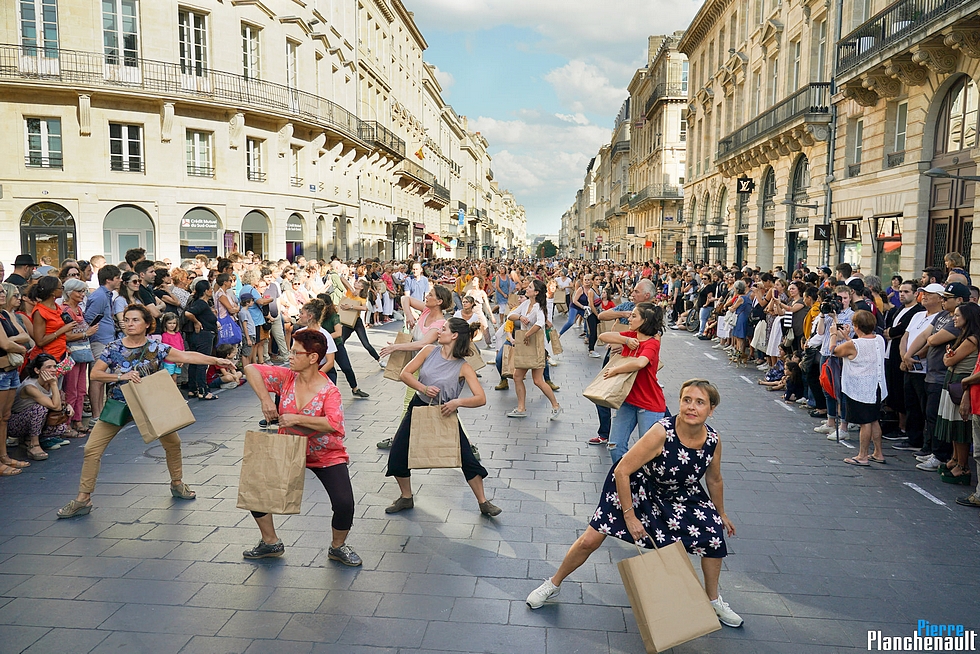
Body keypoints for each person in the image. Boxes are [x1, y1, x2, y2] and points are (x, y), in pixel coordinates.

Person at [525, 379, 743, 628]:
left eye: (700, 402)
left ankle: (712, 599)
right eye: (687, 400)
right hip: (636, 487)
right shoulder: (662, 432)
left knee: (714, 533)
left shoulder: (713, 440)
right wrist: (629, 516)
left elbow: (714, 479)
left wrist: (721, 512)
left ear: (711, 410)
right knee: (590, 540)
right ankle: (553, 584)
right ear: (679, 403)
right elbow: (623, 471)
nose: (691, 407)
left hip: (680, 495)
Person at [56, 304, 233, 518]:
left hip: (151, 404)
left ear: (147, 324)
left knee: (173, 444)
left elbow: (186, 356)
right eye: (127, 320)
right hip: (120, 404)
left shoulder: (156, 347)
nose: (129, 324)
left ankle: (177, 483)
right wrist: (121, 377)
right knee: (92, 449)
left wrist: (216, 360)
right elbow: (95, 374)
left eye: (135, 320)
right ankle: (83, 499)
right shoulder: (114, 347)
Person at [242, 330, 361, 563]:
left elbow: (333, 424)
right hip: (289, 448)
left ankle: (338, 546)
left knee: (344, 503)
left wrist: (296, 419)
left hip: (325, 453)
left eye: (296, 352)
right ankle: (270, 542)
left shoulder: (330, 391)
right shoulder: (287, 377)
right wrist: (266, 400)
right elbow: (250, 370)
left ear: (313, 358)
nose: (291, 356)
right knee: (256, 490)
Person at [383, 318, 500, 516]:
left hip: (446, 411)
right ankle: (406, 497)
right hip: (419, 406)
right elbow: (405, 373)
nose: (439, 331)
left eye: (444, 329)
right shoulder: (429, 351)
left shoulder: (464, 367)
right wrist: (423, 388)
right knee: (398, 453)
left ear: (454, 335)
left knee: (467, 458)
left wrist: (457, 402)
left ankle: (483, 502)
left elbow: (481, 398)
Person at [598, 303, 666, 465]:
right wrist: (626, 340)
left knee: (649, 451)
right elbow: (603, 336)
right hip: (628, 401)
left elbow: (641, 362)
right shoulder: (631, 336)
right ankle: (626, 477)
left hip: (649, 403)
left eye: (634, 316)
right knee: (615, 446)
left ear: (645, 320)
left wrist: (616, 370)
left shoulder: (652, 343)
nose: (629, 318)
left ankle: (644, 483)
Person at [832, 310, 888, 466]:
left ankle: (862, 455)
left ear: (856, 326)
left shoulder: (854, 344)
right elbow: (862, 348)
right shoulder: (879, 339)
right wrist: (848, 338)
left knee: (865, 422)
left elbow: (834, 351)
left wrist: (833, 335)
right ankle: (878, 452)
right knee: (874, 419)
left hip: (860, 389)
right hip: (877, 386)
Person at [933, 302, 980, 484]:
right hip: (954, 380)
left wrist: (948, 357)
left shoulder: (972, 339)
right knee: (952, 424)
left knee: (959, 425)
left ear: (968, 317)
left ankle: (962, 465)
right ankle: (954, 458)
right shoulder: (964, 336)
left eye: (958, 315)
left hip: (961, 382)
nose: (954, 318)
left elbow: (948, 360)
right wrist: (949, 357)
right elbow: (950, 358)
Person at [506, 279, 561, 420]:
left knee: (537, 380)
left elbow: (540, 323)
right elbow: (509, 316)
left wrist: (528, 334)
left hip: (536, 345)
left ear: (536, 292)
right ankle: (521, 408)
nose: (527, 289)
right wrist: (520, 317)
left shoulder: (539, 307)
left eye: (530, 287)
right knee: (517, 376)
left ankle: (556, 405)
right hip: (526, 345)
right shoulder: (525, 304)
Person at [61, 278, 99, 434]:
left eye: (83, 291)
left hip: (82, 353)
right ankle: (67, 423)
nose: (83, 294)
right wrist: (86, 333)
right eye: (79, 291)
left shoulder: (78, 310)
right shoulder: (65, 310)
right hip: (72, 354)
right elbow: (66, 335)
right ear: (69, 293)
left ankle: (77, 420)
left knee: (81, 388)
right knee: (71, 389)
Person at [0, 287, 30, 475]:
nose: (2, 294)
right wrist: (18, 348)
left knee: (5, 417)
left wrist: (12, 342)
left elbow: (26, 336)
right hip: (2, 370)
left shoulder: (5, 314)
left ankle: (3, 456)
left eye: (3, 291)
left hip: (10, 371)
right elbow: (4, 344)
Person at [183, 279, 219, 401]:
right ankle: (203, 390)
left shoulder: (201, 303)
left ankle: (193, 389)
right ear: (205, 291)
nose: (212, 290)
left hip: (197, 336)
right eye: (210, 288)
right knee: (202, 362)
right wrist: (197, 322)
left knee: (194, 361)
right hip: (204, 336)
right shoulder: (201, 303)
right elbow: (188, 313)